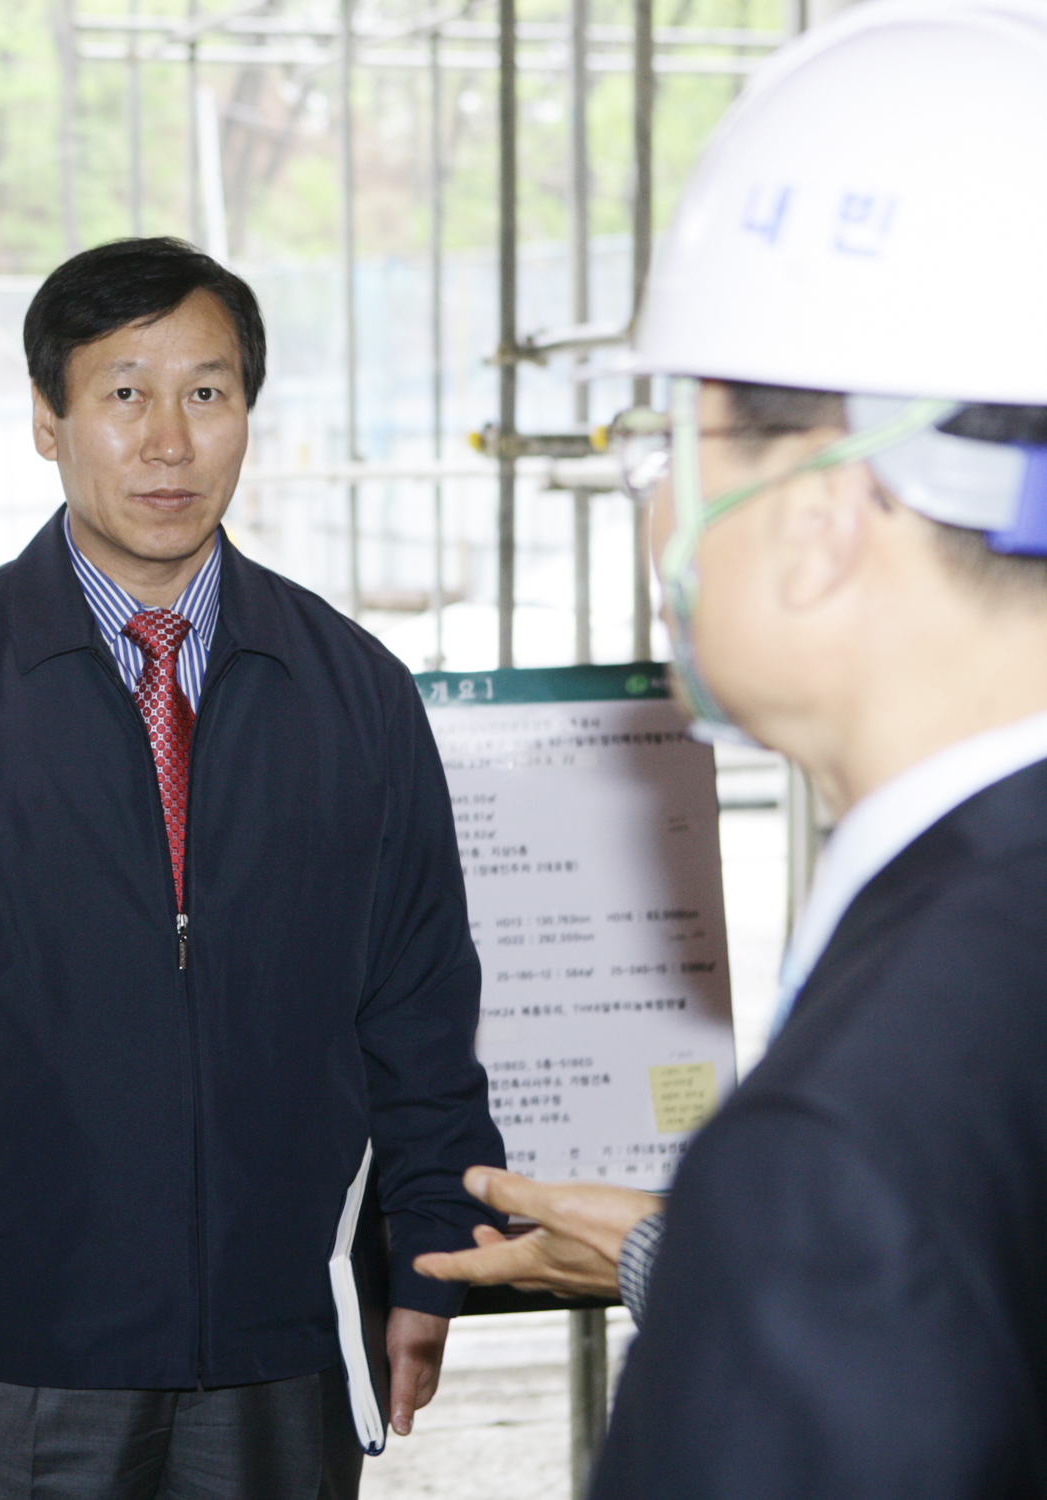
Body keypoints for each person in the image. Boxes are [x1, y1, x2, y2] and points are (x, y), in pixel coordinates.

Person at [414, 3, 1047, 1492]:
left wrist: (761, 1243)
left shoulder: (842, 1143)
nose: (656, 513)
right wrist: (678, 1253)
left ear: (825, 515)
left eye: (674, 443)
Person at [0, 237, 505, 1499]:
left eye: (207, 394)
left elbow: (420, 1005)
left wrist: (426, 1252)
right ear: (48, 423)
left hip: (285, 1341)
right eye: (124, 393)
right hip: (14, 1346)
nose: (169, 441)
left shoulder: (354, 691)